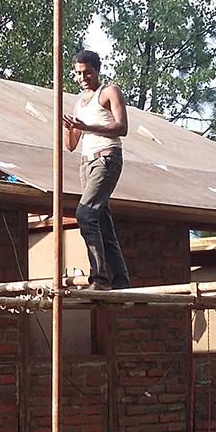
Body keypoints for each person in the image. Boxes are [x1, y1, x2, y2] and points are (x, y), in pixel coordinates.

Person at [61, 50, 131, 291]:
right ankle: (121, 280)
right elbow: (70, 146)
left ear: (97, 70)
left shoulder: (109, 92)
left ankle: (100, 278)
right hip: (86, 163)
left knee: (85, 214)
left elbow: (122, 127)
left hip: (107, 158)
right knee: (102, 222)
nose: (83, 78)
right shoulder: (79, 102)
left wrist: (86, 126)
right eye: (78, 74)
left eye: (87, 72)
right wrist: (70, 127)